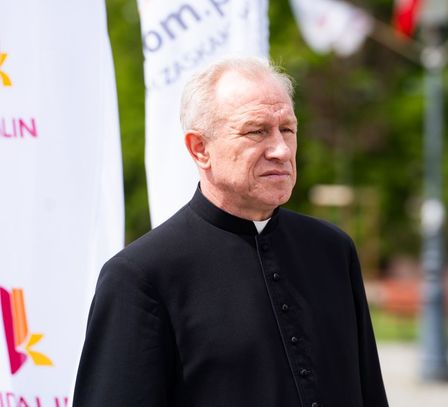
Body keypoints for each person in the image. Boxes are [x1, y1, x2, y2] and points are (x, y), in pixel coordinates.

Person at [73, 57, 388, 407]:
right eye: (257, 131)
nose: (281, 150)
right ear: (200, 149)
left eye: (287, 129)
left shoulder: (332, 250)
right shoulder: (140, 277)